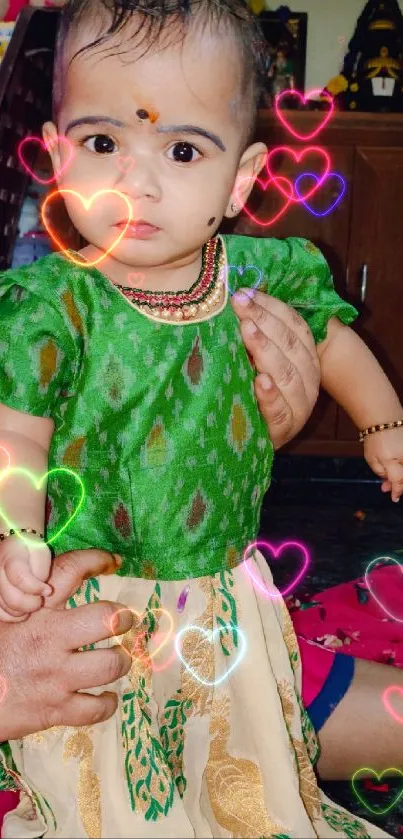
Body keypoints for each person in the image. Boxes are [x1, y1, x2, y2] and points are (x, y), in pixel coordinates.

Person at [0, 0, 401, 835]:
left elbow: (333, 344)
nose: (134, 182)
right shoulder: (53, 305)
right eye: (103, 143)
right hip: (93, 590)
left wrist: (382, 428)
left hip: (222, 589)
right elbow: (20, 431)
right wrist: (18, 528)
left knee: (240, 751)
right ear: (58, 148)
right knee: (106, 775)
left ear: (244, 178)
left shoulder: (260, 270)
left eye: (181, 150)